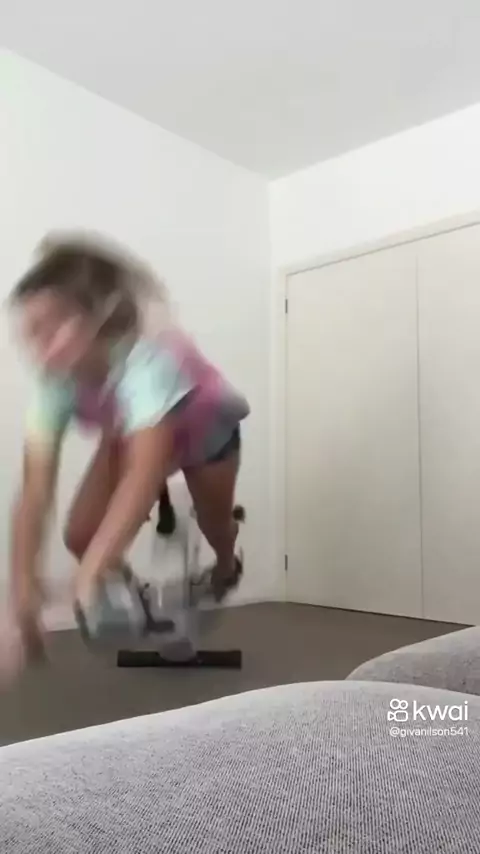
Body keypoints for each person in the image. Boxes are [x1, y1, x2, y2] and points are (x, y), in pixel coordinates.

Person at [9, 234, 249, 659]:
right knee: (81, 534)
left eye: (54, 327)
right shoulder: (54, 381)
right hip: (130, 429)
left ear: (96, 320)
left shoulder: (149, 358)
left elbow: (143, 475)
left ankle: (228, 562)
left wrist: (90, 575)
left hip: (206, 430)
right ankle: (139, 601)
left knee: (215, 524)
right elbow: (34, 490)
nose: (41, 349)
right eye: (32, 333)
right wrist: (22, 583)